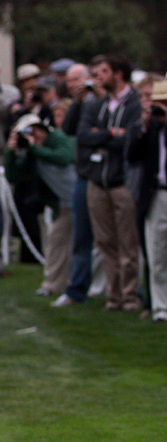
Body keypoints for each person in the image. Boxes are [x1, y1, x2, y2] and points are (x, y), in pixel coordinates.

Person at [78, 54, 142, 312]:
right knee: (105, 242)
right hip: (97, 180)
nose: (97, 78)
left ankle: (130, 296)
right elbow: (83, 135)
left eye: (103, 72)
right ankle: (113, 295)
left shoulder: (134, 103)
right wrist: (111, 134)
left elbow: (130, 140)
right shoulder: (97, 104)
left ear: (118, 74)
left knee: (127, 242)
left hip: (122, 182)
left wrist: (102, 136)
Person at [4, 114, 76, 296]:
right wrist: (10, 152)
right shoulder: (31, 152)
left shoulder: (58, 138)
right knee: (56, 241)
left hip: (84, 196)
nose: (32, 135)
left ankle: (96, 287)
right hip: (63, 204)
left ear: (41, 128)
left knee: (92, 245)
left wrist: (35, 148)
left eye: (33, 131)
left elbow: (64, 157)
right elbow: (13, 175)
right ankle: (52, 285)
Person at [53, 63, 101, 307]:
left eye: (76, 79)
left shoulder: (102, 101)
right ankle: (77, 290)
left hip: (105, 176)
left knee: (110, 240)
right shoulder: (79, 103)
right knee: (81, 238)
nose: (72, 84)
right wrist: (77, 102)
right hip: (83, 176)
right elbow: (69, 129)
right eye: (69, 80)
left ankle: (117, 292)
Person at [126, 80, 167, 322]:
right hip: (155, 194)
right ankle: (160, 306)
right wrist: (143, 126)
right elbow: (132, 156)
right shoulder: (148, 128)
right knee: (156, 253)